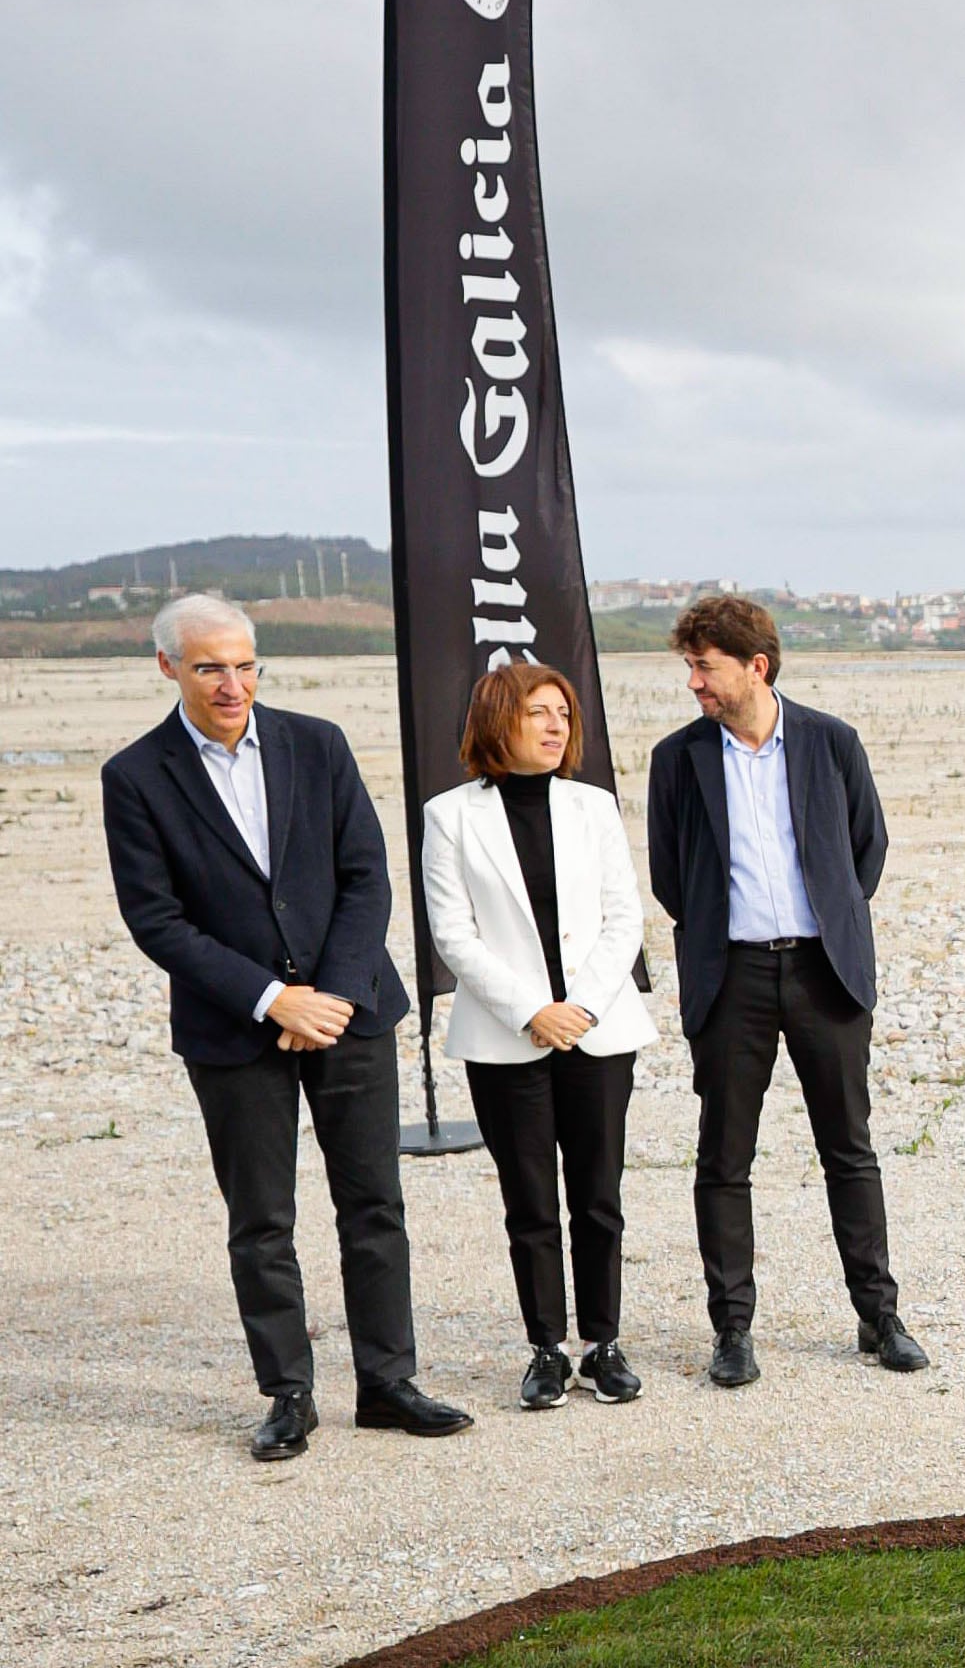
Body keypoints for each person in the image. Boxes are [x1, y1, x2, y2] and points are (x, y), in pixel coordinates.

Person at [99, 597, 473, 1460]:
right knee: (261, 1219)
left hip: (351, 1012)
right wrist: (274, 998)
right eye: (210, 668)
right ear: (168, 668)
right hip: (235, 1027)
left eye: (246, 664)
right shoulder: (135, 775)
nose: (233, 684)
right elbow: (157, 921)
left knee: (374, 1204)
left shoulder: (319, 743)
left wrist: (331, 995)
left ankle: (387, 1382)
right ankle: (289, 1394)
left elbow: (366, 876)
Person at [643, 592, 925, 1387]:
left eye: (705, 665)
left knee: (850, 1149)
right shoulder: (678, 758)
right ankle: (732, 1329)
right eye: (690, 665)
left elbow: (865, 851)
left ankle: (879, 1316)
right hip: (730, 976)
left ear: (754, 666)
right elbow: (673, 874)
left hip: (823, 972)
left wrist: (826, 921)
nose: (693, 681)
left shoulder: (832, 742)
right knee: (724, 1157)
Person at [420, 660, 654, 1408]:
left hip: (598, 1030)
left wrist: (579, 1007)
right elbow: (453, 936)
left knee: (598, 1195)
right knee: (529, 1199)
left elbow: (626, 919)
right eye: (538, 713)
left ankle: (604, 1345)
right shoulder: (450, 815)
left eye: (563, 713)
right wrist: (532, 1010)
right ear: (497, 720)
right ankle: (545, 1349)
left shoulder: (593, 807)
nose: (556, 726)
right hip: (504, 1037)